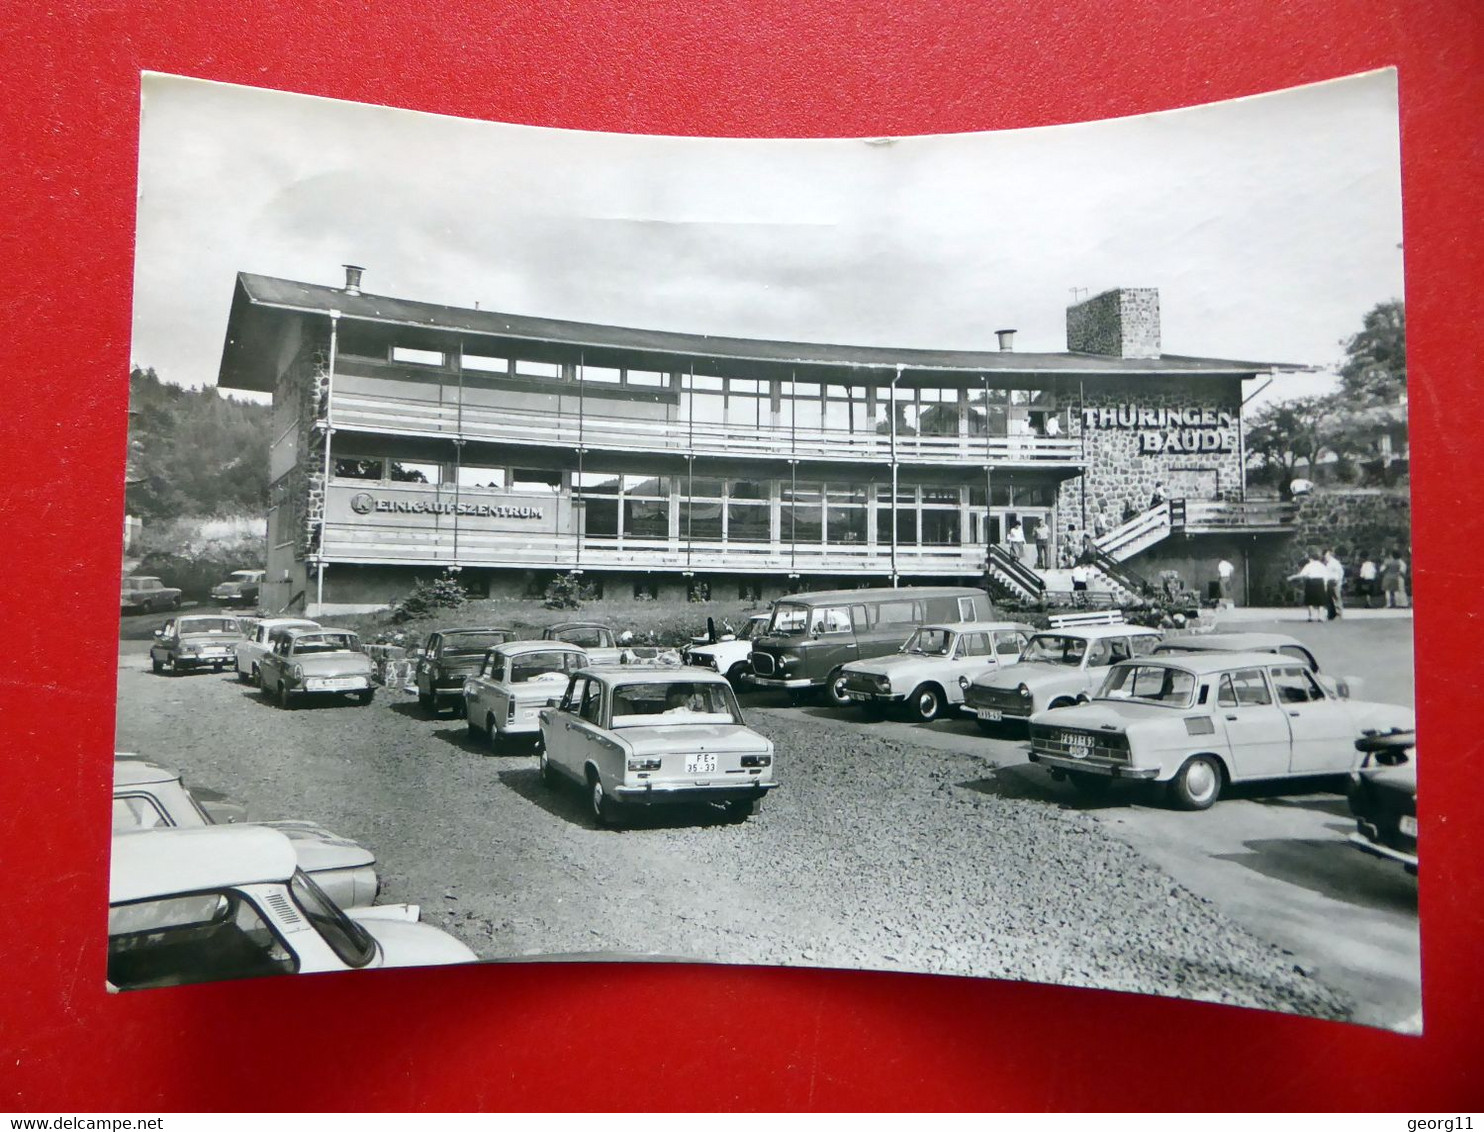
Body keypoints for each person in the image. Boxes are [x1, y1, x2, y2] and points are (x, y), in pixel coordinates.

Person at [1288, 549, 1329, 622]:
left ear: (1311, 559)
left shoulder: (1308, 565)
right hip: (1320, 582)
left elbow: (1302, 575)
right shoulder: (1322, 566)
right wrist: (1325, 585)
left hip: (1311, 582)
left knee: (1310, 601)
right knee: (1321, 601)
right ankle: (1320, 617)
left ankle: (1311, 616)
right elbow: (1326, 576)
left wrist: (1292, 577)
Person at [1323, 547, 1345, 620]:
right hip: (1329, 582)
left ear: (1330, 555)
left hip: (1335, 581)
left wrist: (1339, 580)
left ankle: (1339, 614)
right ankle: (1331, 614)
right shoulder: (1327, 563)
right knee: (1329, 599)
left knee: (1336, 597)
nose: (1325, 557)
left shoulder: (1335, 563)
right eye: (1325, 556)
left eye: (1327, 556)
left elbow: (1340, 572)